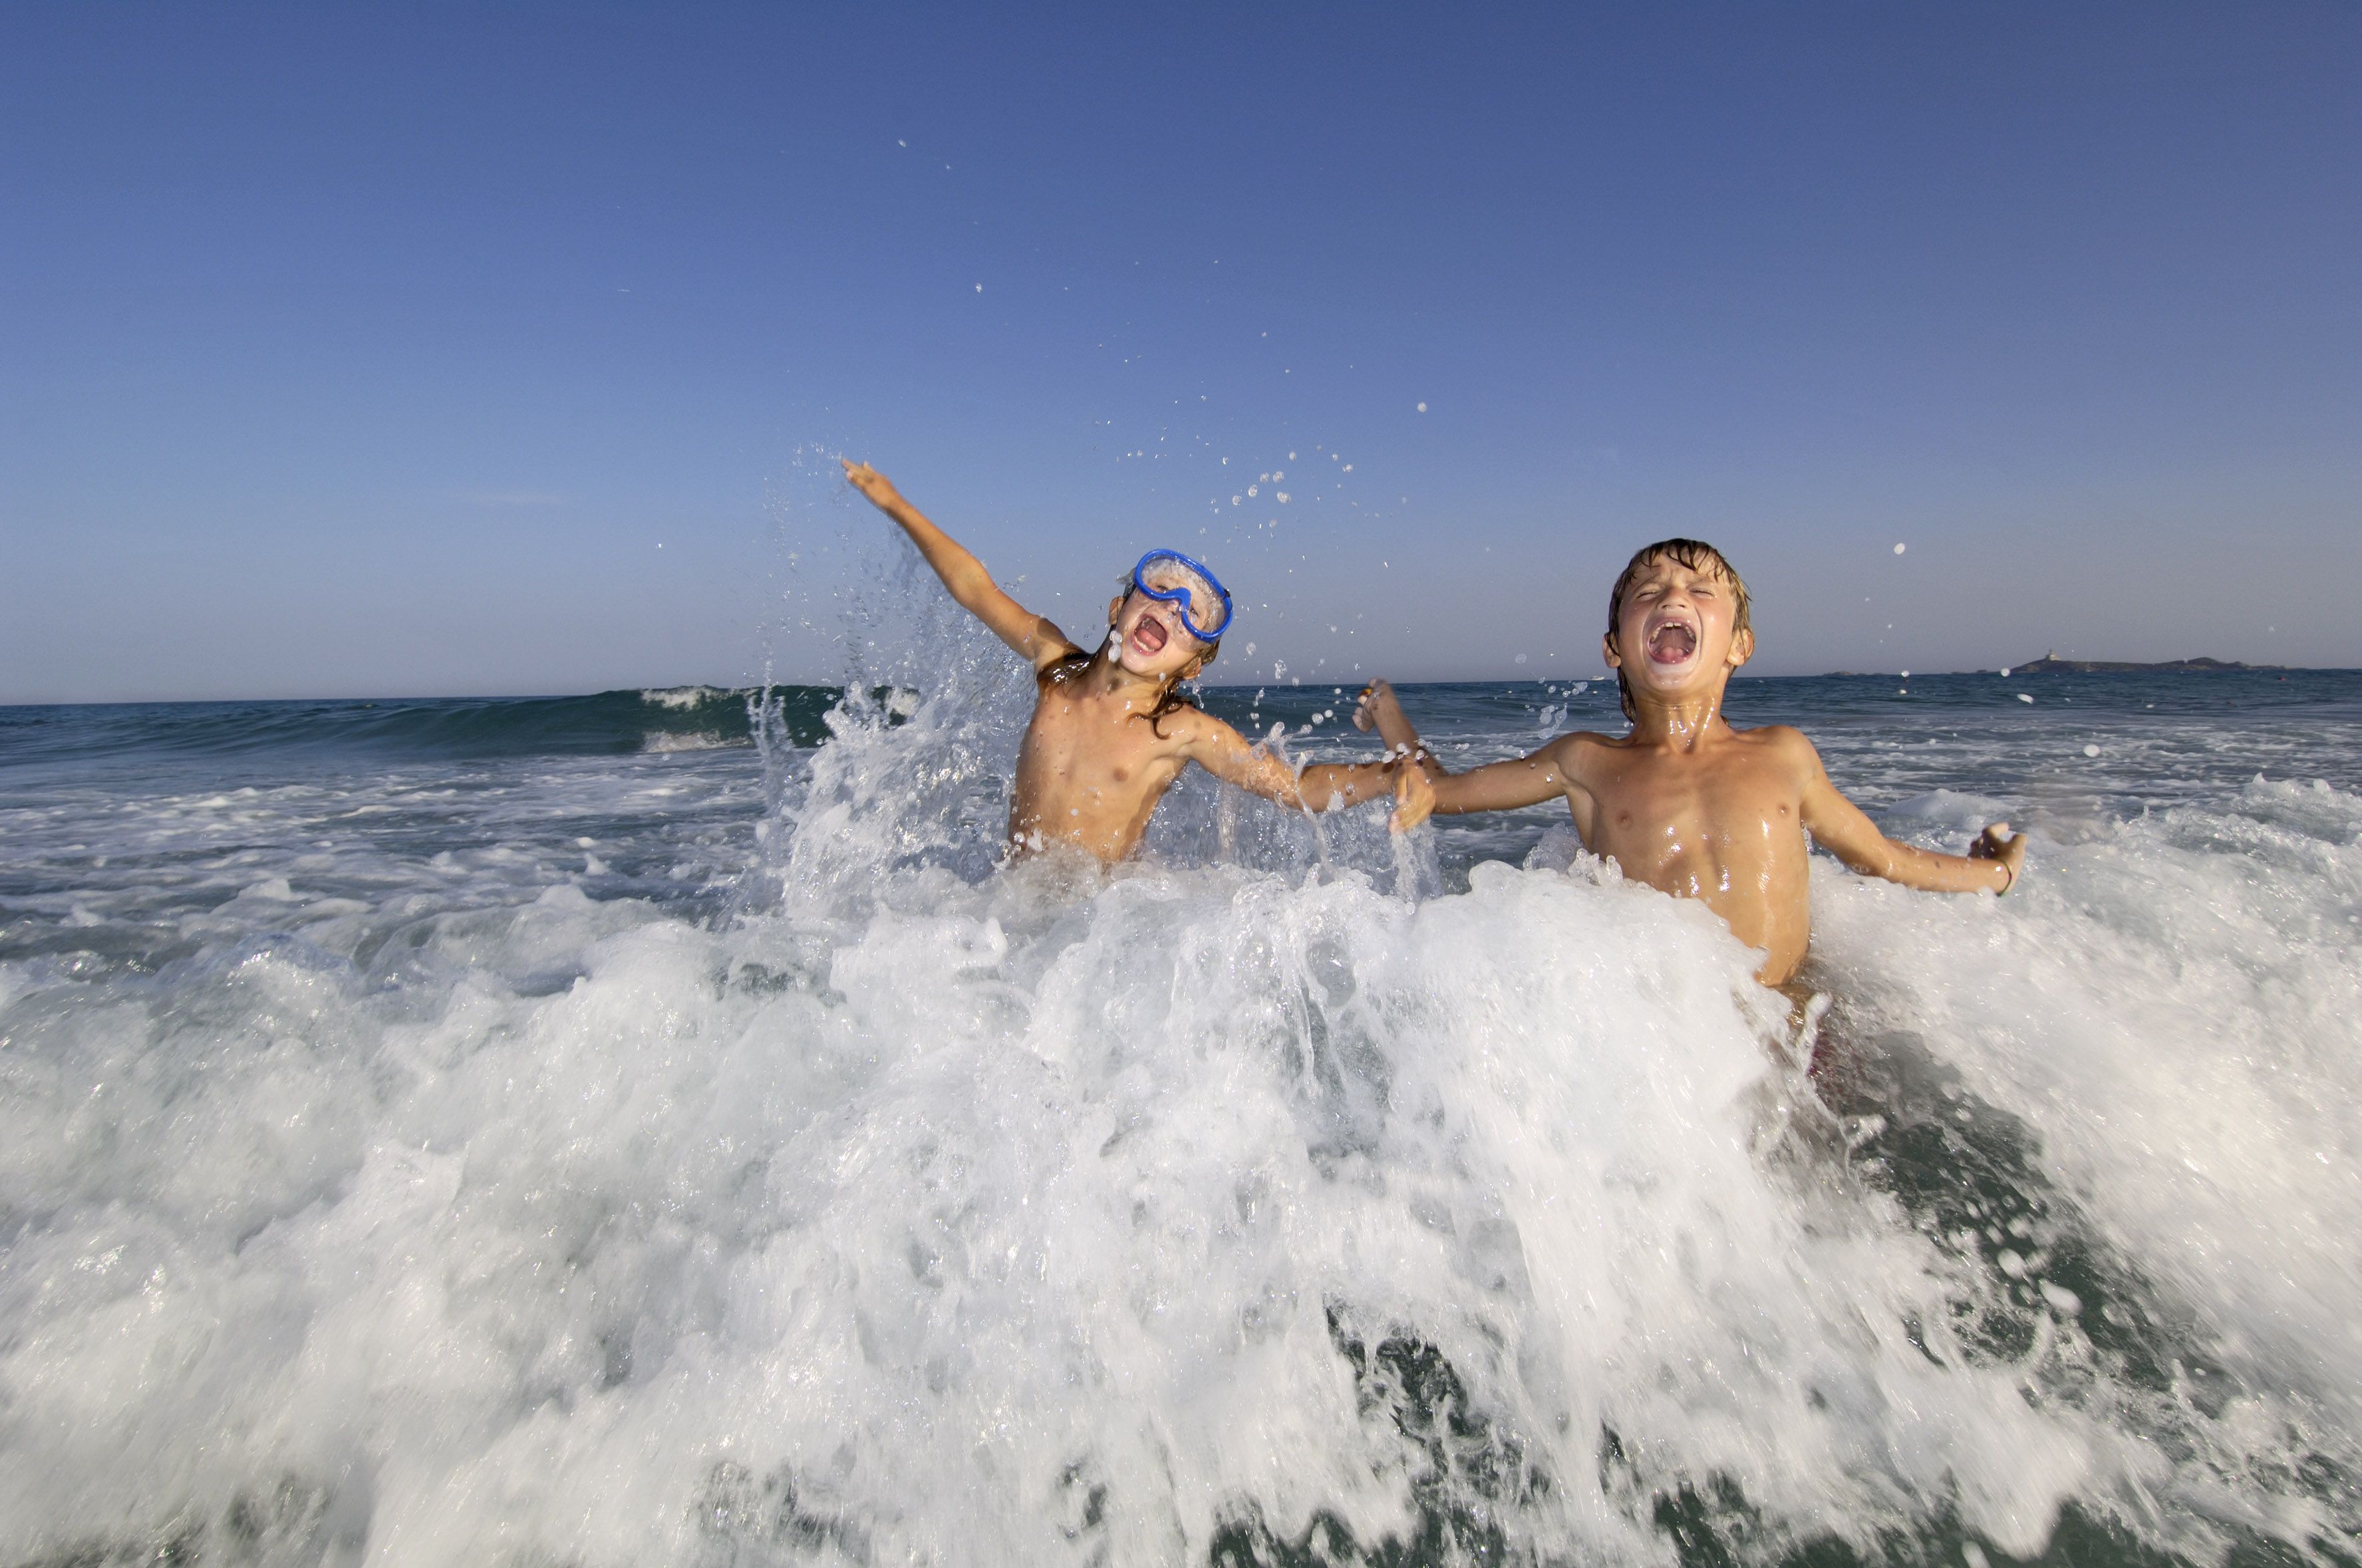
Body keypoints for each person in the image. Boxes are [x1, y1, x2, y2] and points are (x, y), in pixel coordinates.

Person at [1364, 539, 2026, 986]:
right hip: (1673, 1042)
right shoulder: (1586, 763)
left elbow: (1878, 857)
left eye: (1698, 589)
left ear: (1738, 645)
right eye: (1646, 592)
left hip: (1788, 1025)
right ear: (1613, 648)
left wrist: (1990, 875)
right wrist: (1408, 766)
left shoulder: (1784, 756)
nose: (1671, 596)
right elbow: (1444, 791)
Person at [843, 459, 1415, 862]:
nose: (1169, 613)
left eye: (1192, 619)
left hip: (1098, 922)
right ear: (1119, 608)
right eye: (1159, 594)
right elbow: (975, 588)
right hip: (1014, 899)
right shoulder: (1054, 668)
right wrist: (895, 503)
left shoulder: (1181, 730)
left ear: (1192, 666)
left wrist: (1393, 774)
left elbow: (1297, 789)